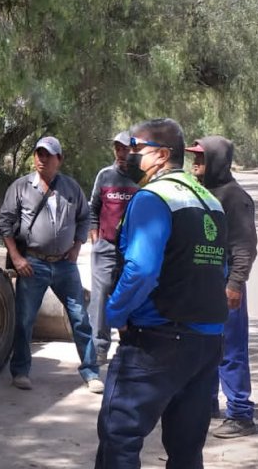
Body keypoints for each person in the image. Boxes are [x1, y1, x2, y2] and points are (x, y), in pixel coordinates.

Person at [97, 118, 228, 469]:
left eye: (136, 148)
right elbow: (220, 269)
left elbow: (141, 269)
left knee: (119, 436)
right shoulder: (210, 202)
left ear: (161, 154)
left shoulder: (153, 198)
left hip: (158, 339)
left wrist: (115, 313)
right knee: (187, 449)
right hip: (206, 342)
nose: (128, 155)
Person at [0, 136, 100, 392]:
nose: (42, 159)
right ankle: (20, 371)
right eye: (38, 154)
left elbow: (85, 218)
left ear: (59, 159)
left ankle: (91, 372)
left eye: (48, 155)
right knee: (24, 320)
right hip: (33, 264)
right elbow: (5, 223)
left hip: (65, 266)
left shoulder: (72, 188)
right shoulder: (20, 187)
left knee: (80, 318)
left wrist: (77, 246)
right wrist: (18, 258)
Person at [186, 137, 258, 439]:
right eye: (194, 159)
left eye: (201, 159)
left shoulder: (234, 197)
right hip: (202, 279)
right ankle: (207, 402)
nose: (195, 165)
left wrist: (235, 285)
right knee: (205, 346)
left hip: (225, 279)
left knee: (231, 348)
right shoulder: (200, 192)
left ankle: (241, 413)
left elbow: (245, 247)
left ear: (217, 160)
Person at [89, 131, 141, 368]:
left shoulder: (142, 180)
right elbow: (93, 209)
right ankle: (99, 350)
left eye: (127, 149)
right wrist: (95, 235)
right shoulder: (105, 176)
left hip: (132, 251)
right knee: (100, 300)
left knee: (130, 297)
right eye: (119, 148)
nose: (122, 153)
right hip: (105, 248)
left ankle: (129, 347)